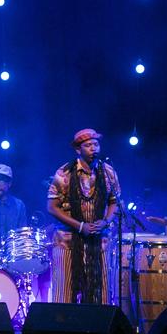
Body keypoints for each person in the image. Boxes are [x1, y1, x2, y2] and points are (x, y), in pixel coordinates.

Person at [46, 128, 119, 304]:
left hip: (98, 240)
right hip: (67, 242)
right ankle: (63, 329)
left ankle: (97, 328)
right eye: (88, 145)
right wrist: (79, 226)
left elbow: (114, 202)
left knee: (100, 294)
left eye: (96, 144)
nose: (94, 148)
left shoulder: (108, 172)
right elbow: (51, 207)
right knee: (64, 294)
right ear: (78, 150)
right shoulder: (64, 173)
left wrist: (105, 222)